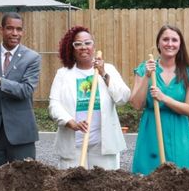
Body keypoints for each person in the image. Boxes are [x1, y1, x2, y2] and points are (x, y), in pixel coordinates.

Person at [48, 26, 131, 169]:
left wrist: (104, 74)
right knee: (73, 182)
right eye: (78, 44)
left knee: (104, 181)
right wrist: (70, 122)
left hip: (102, 145)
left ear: (94, 46)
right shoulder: (63, 74)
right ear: (72, 48)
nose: (83, 47)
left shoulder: (108, 69)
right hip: (73, 145)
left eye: (87, 43)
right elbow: (54, 105)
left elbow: (123, 97)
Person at [130, 25, 189, 175]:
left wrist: (164, 98)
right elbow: (136, 104)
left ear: (180, 45)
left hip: (178, 132)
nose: (170, 44)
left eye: (174, 40)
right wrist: (147, 76)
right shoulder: (144, 69)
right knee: (147, 178)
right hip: (151, 131)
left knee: (179, 178)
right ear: (158, 43)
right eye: (165, 39)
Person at [0, 12, 41, 170]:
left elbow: (26, 90)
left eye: (19, 29)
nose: (15, 33)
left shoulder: (32, 58)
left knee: (24, 179)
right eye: (10, 28)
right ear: (1, 29)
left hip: (21, 134)